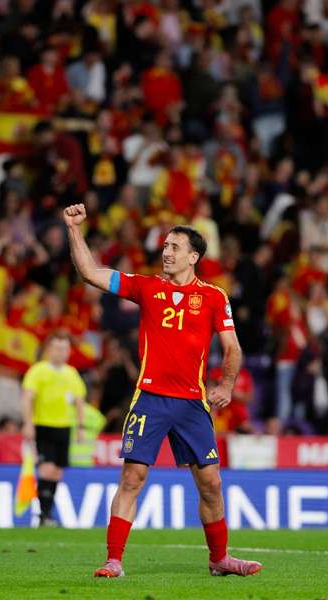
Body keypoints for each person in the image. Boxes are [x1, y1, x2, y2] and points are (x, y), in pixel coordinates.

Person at [64, 203, 262, 578]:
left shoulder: (215, 297)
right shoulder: (147, 287)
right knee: (132, 476)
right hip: (151, 399)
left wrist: (226, 384)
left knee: (211, 484)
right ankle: (113, 560)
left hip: (192, 403)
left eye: (174, 247)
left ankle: (219, 559)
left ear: (193, 256)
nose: (166, 252)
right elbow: (90, 272)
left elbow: (233, 347)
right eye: (165, 246)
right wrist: (75, 230)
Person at [20, 331, 87, 527]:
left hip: (64, 427)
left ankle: (46, 514)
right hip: (43, 426)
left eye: (65, 349)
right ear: (49, 349)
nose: (62, 352)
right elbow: (27, 397)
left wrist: (81, 427)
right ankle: (43, 513)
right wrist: (28, 423)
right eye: (58, 348)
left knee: (57, 472)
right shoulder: (38, 371)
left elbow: (79, 402)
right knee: (46, 469)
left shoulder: (71, 373)